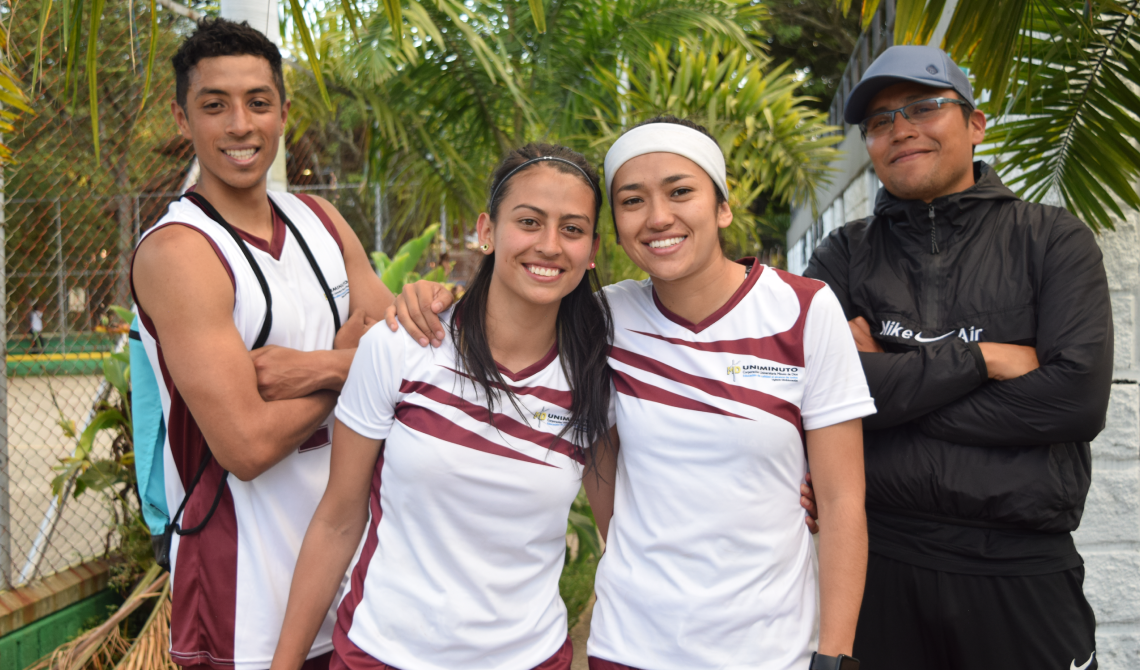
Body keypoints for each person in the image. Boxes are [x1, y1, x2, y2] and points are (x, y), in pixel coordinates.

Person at [392, 116, 874, 670]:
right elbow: (502, 332)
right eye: (632, 200)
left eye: (680, 191)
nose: (658, 217)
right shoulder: (601, 318)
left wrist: (834, 656)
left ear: (722, 207)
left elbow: (841, 502)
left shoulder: (806, 310)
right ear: (613, 231)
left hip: (771, 651)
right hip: (629, 646)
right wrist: (432, 298)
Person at [802, 45, 1111, 669]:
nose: (902, 129)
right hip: (878, 563)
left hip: (1021, 570)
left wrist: (884, 390)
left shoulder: (1053, 241)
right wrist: (982, 362)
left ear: (974, 124)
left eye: (924, 106)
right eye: (881, 121)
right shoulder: (843, 255)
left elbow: (1073, 402)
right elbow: (815, 390)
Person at [269, 143, 614, 670]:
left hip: (531, 658)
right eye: (529, 221)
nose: (549, 245)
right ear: (487, 231)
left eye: (572, 228)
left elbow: (625, 527)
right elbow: (338, 520)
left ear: (591, 250)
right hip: (382, 654)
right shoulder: (403, 347)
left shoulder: (597, 375)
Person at [130, 18, 392, 670]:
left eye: (258, 102)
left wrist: (319, 367)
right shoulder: (179, 253)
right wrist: (358, 369)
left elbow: (407, 352)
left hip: (358, 585)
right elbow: (245, 447)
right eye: (214, 105)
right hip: (243, 598)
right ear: (182, 118)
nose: (240, 125)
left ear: (282, 111)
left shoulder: (321, 220)